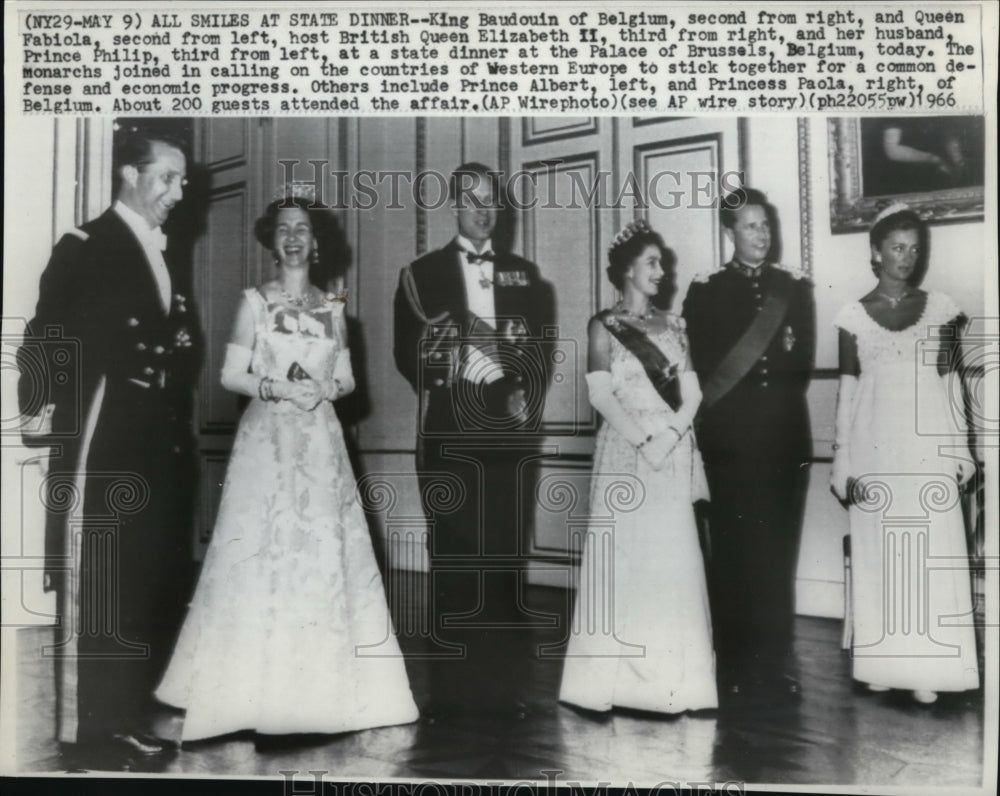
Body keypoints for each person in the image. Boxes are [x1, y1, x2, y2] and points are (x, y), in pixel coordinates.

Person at [155, 196, 418, 740]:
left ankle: (320, 689)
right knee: (261, 551)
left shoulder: (334, 306)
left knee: (320, 556)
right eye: (283, 230)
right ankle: (246, 688)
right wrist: (273, 387)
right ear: (271, 241)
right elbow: (230, 373)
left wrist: (326, 388)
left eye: (303, 229)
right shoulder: (254, 301)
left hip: (320, 443)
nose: (294, 238)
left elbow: (348, 381)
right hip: (267, 445)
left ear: (317, 242)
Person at [16, 130, 199, 758]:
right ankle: (92, 731)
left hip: (149, 440)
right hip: (101, 436)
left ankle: (122, 715)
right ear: (128, 173)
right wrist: (45, 412)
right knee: (99, 577)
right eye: (167, 178)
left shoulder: (158, 251)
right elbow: (44, 336)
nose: (178, 192)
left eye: (182, 181)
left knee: (138, 579)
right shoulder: (86, 246)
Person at [393, 163, 553, 718]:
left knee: (504, 557)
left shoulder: (526, 276)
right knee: (457, 557)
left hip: (509, 433)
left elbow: (538, 353)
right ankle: (453, 690)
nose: (483, 211)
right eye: (472, 200)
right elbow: (405, 354)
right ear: (455, 205)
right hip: (450, 431)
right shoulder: (422, 273)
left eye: (491, 202)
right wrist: (457, 372)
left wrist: (519, 395)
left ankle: (506, 688)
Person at [559, 220, 717, 715]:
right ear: (626, 269)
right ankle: (610, 683)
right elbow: (600, 394)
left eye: (663, 262)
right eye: (652, 262)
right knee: (622, 563)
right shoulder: (602, 325)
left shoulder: (675, 327)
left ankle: (673, 684)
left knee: (670, 565)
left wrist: (668, 437)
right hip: (625, 452)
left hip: (668, 453)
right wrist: (644, 439)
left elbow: (692, 394)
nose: (662, 270)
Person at [831, 204, 979, 704]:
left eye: (915, 249)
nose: (907, 258)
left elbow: (952, 382)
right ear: (876, 252)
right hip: (875, 445)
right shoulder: (852, 316)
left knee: (927, 551)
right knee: (882, 554)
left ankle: (929, 669)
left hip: (926, 445)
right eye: (897, 247)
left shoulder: (939, 308)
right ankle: (882, 661)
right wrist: (842, 462)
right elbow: (847, 395)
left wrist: (960, 452)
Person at [682, 187, 815, 700]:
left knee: (777, 552)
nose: (763, 235)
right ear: (730, 232)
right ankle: (734, 661)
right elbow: (707, 367)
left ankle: (774, 661)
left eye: (766, 225)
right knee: (736, 551)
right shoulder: (706, 289)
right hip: (730, 442)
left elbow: (798, 367)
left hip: (782, 438)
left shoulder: (794, 287)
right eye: (752, 226)